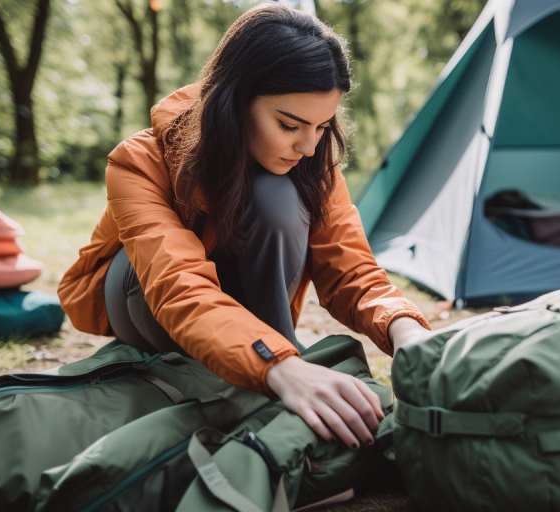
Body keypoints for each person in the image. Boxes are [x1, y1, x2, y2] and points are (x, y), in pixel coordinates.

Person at [58, 3, 431, 451]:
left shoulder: (312, 160)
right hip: (144, 296)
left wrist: (405, 329)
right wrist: (277, 366)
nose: (309, 146)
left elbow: (351, 268)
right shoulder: (137, 161)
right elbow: (178, 287)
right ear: (234, 102)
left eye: (322, 125)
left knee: (277, 196)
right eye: (289, 125)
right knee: (148, 273)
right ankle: (266, 372)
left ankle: (273, 362)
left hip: (249, 315)